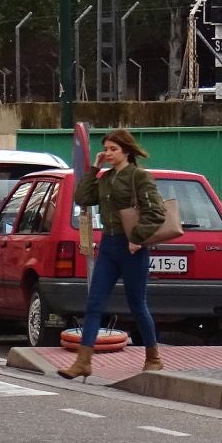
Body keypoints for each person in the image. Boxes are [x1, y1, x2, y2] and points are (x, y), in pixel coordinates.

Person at [61, 127, 167, 379]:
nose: (108, 153)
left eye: (113, 149)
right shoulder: (106, 178)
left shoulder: (138, 177)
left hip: (131, 248)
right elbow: (82, 197)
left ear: (126, 151)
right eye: (106, 149)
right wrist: (94, 169)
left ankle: (154, 357)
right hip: (108, 245)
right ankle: (83, 362)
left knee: (137, 304)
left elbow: (157, 213)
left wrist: (137, 238)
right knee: (94, 303)